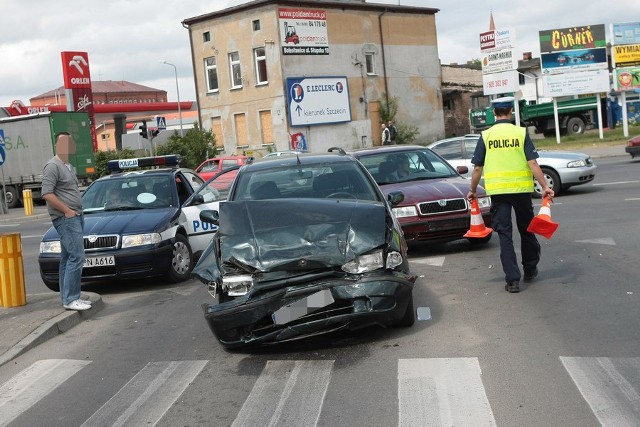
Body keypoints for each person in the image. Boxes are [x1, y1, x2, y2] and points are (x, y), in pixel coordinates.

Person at [466, 96, 554, 294]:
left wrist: (472, 191)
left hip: (498, 193)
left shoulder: (486, 135)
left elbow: (477, 168)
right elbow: (533, 163)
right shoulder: (520, 132)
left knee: (505, 235)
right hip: (521, 191)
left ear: (494, 113)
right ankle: (530, 269)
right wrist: (544, 186)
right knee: (526, 230)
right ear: (510, 112)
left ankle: (513, 280)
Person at [42, 132, 91, 311]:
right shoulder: (52, 166)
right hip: (66, 218)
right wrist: (68, 211)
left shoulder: (69, 166)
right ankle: (71, 299)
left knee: (67, 258)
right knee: (77, 256)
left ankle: (68, 298)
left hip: (75, 216)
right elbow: (47, 193)